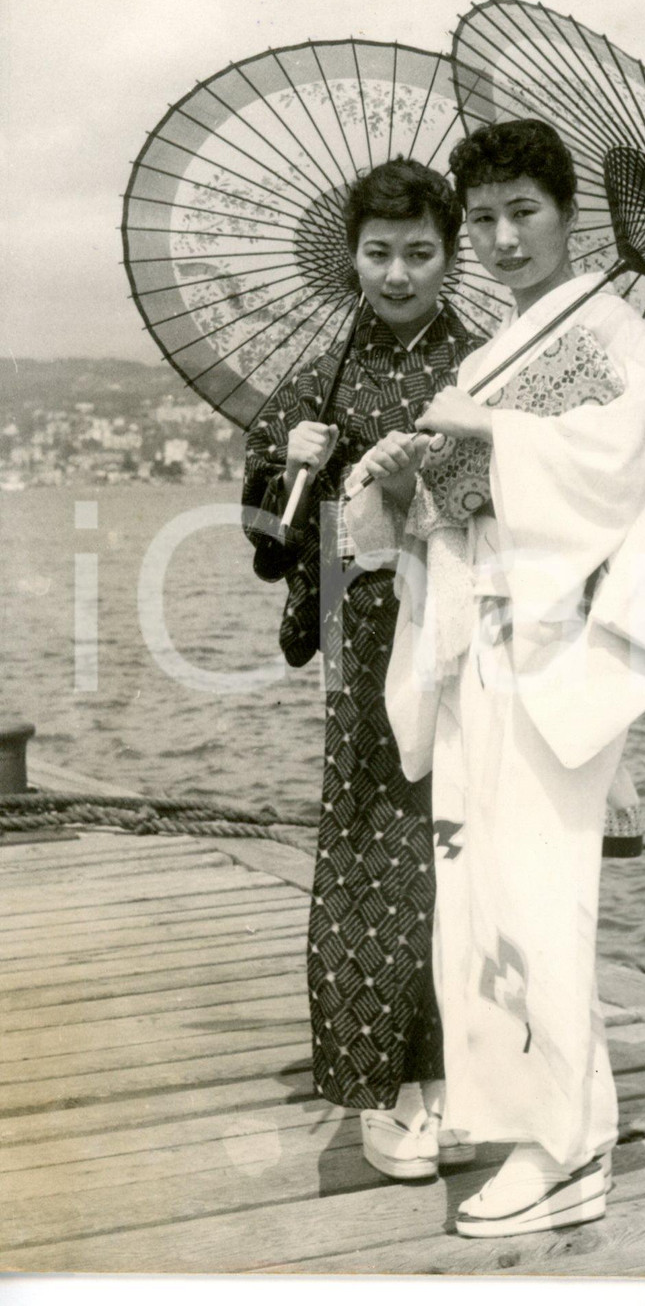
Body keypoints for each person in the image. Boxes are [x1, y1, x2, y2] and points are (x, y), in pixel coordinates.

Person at [347, 120, 645, 1235]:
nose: (497, 240)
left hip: (553, 646)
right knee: (483, 904)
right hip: (481, 647)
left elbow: (611, 474)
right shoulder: (510, 341)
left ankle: (570, 1146)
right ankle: (535, 1124)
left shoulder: (614, 338)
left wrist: (484, 429)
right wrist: (408, 482)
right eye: (480, 219)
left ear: (566, 213)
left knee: (543, 897)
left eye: (520, 215)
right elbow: (463, 501)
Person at [241, 158, 482, 1181]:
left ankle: (461, 1076)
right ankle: (382, 1089)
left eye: (419, 252)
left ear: (449, 254)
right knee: (371, 844)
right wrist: (284, 469)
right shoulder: (317, 383)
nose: (397, 272)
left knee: (463, 845)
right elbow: (263, 541)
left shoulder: (485, 366)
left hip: (467, 625)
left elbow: (519, 500)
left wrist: (443, 470)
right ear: (352, 256)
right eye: (379, 252)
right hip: (366, 631)